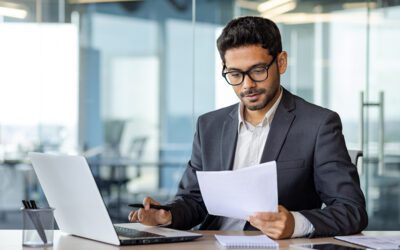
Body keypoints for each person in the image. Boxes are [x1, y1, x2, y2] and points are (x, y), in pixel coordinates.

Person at [128, 16, 368, 239]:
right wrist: (167, 215)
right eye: (235, 74)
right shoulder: (209, 126)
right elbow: (194, 200)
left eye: (258, 70)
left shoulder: (318, 124)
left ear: (281, 62)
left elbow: (351, 210)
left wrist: (295, 223)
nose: (247, 85)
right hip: (211, 243)